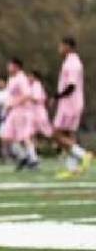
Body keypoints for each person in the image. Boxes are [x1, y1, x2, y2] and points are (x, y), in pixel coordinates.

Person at [53, 37, 93, 179]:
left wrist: (56, 96)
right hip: (71, 103)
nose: (59, 49)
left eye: (61, 46)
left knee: (56, 134)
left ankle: (84, 155)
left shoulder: (72, 63)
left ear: (67, 47)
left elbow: (71, 86)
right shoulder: (70, 62)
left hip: (69, 104)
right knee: (68, 136)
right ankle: (73, 169)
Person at [5, 58, 39, 171]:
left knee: (24, 137)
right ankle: (23, 156)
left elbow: (27, 94)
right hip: (13, 111)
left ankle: (33, 159)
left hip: (22, 111)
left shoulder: (21, 78)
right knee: (8, 136)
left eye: (10, 65)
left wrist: (13, 103)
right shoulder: (11, 79)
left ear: (16, 66)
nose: (8, 67)